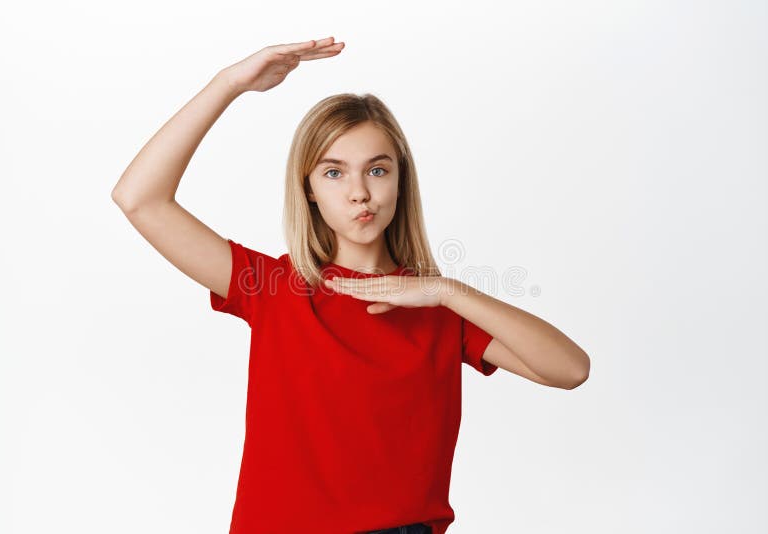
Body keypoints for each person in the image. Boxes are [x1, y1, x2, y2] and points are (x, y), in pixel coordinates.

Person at [111, 36, 591, 534]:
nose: (360, 192)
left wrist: (447, 291)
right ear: (309, 190)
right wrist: (229, 83)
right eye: (335, 172)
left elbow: (570, 369)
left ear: (401, 179)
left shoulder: (437, 309)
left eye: (377, 170)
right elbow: (139, 198)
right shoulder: (273, 288)